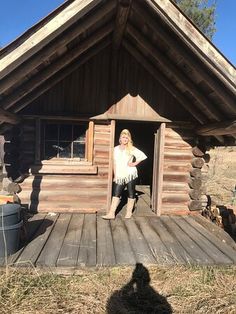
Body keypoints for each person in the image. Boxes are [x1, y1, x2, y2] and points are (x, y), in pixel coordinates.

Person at [102, 129, 147, 220]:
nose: (125, 139)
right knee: (116, 193)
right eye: (123, 137)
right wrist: (115, 175)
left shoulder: (131, 149)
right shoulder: (115, 149)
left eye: (127, 137)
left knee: (131, 192)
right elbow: (114, 163)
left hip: (130, 173)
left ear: (129, 139)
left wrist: (134, 163)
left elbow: (142, 155)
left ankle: (129, 212)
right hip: (120, 174)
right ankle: (111, 213)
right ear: (120, 138)